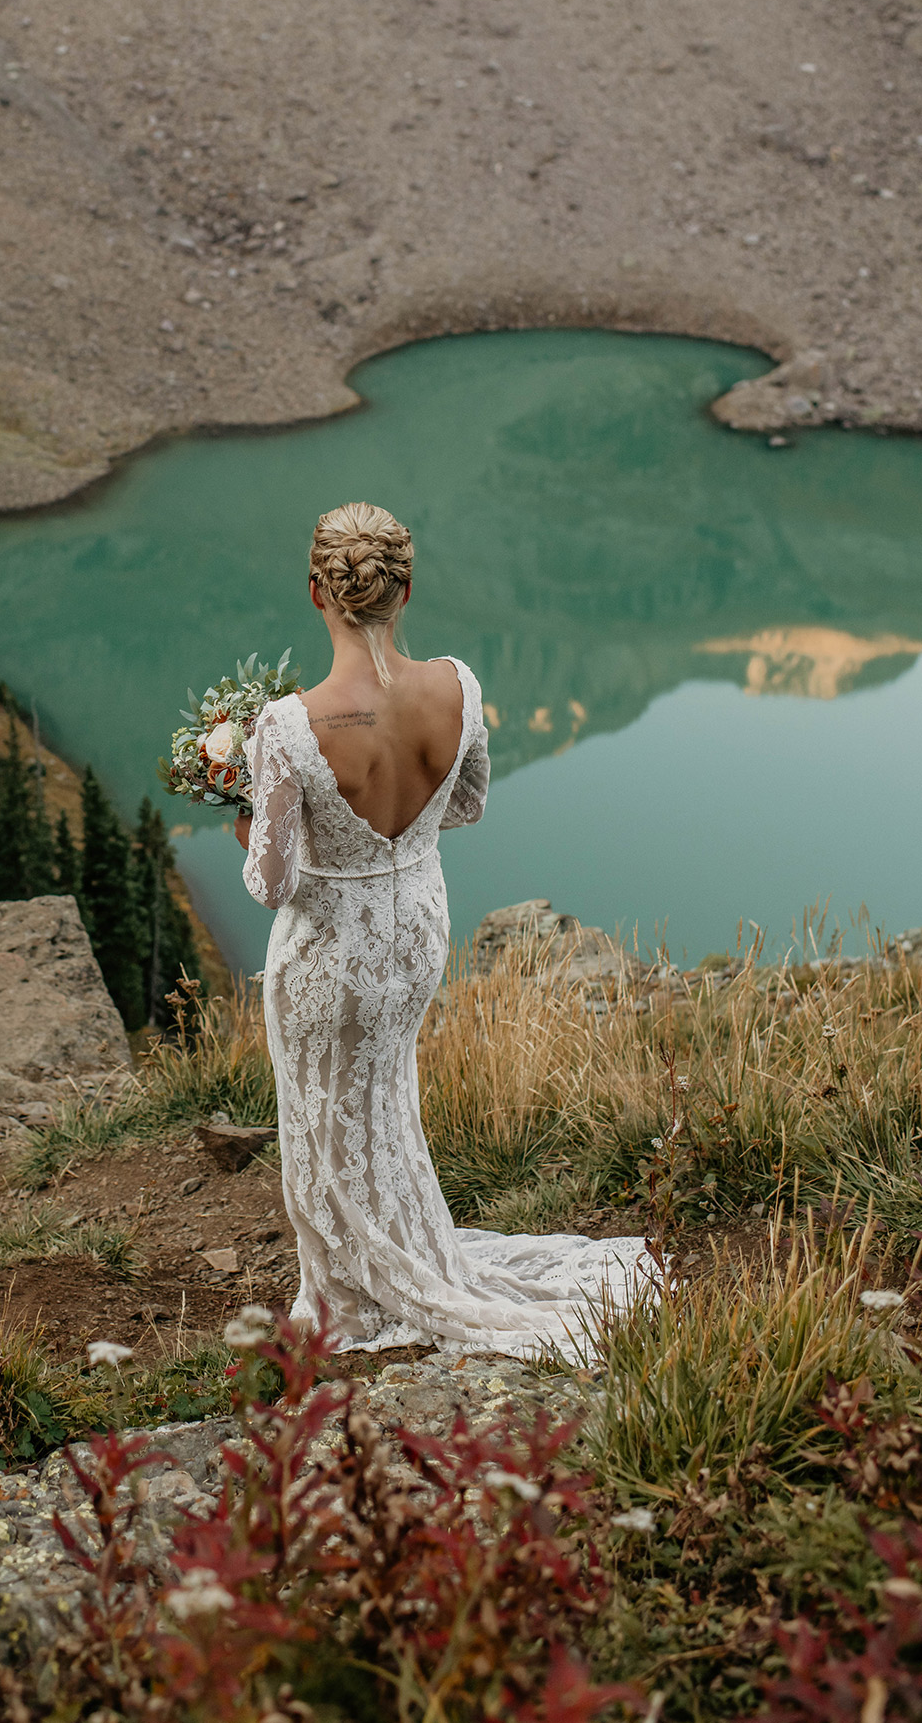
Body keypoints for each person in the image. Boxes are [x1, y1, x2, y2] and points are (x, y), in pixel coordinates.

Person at [237, 501, 647, 1356]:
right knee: (387, 1095)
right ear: (407, 588)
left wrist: (248, 820)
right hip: (416, 931)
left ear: (316, 591)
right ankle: (412, 1251)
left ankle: (352, 1290)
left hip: (330, 948)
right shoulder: (457, 686)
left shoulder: (285, 725)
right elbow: (467, 805)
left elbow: (270, 884)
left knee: (322, 1112)